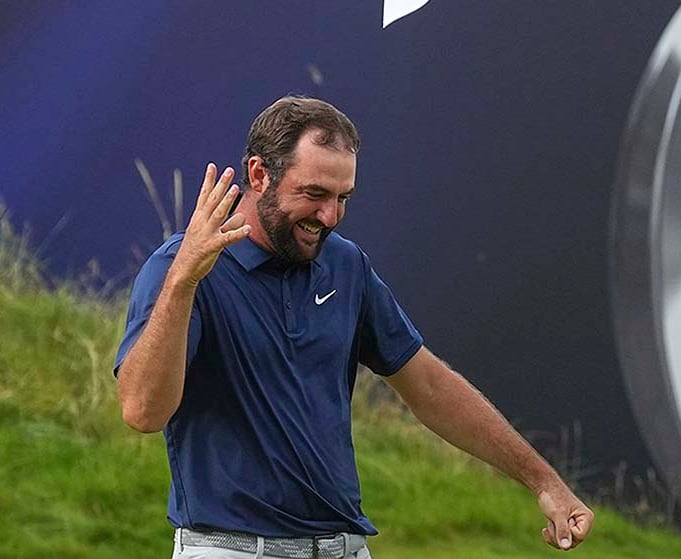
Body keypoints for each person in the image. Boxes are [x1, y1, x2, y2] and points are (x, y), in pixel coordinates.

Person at [114, 96, 594, 558]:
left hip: (344, 548)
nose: (330, 216)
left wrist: (544, 482)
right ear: (259, 175)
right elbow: (141, 411)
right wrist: (183, 283)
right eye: (315, 194)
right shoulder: (181, 268)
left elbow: (428, 384)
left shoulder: (345, 264)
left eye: (343, 197)